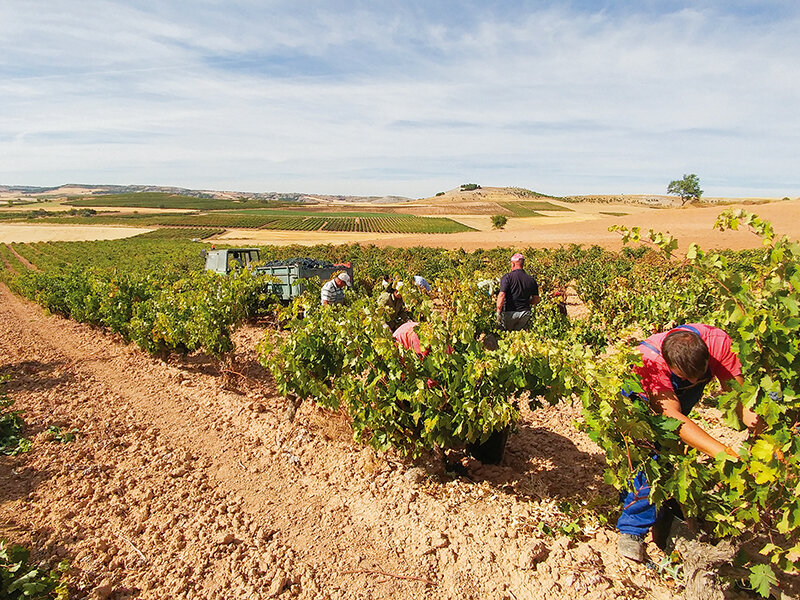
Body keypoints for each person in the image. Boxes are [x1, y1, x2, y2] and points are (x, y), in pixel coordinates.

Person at [616, 323, 761, 562]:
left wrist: (758, 428)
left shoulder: (719, 342)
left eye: (701, 373)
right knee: (654, 451)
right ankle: (632, 529)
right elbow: (673, 418)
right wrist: (724, 453)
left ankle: (650, 498)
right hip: (643, 391)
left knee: (673, 451)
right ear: (672, 366)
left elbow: (739, 396)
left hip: (682, 388)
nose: (697, 379)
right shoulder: (648, 360)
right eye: (687, 376)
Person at [496, 253, 540, 331]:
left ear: (513, 264)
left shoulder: (507, 277)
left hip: (509, 313)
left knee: (507, 335)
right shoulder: (531, 279)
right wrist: (526, 301)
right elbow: (536, 299)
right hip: (525, 313)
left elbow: (502, 295)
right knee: (519, 335)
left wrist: (498, 312)